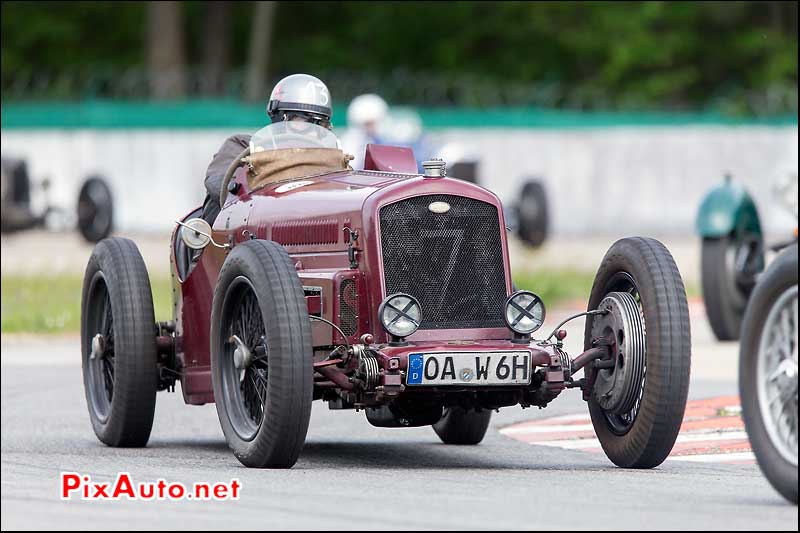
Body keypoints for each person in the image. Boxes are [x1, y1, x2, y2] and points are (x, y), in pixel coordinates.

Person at [201, 73, 333, 224]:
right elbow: (219, 183)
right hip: (248, 230)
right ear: (280, 117)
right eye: (302, 121)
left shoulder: (328, 160)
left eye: (320, 125)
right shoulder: (243, 145)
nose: (312, 131)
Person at [340, 93, 389, 169]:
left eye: (372, 123)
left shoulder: (384, 138)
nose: (371, 128)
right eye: (367, 124)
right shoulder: (350, 142)